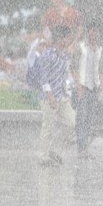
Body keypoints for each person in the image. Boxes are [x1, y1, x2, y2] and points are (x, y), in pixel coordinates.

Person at [34, 25, 76, 166]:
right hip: (49, 97)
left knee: (71, 124)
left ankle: (52, 150)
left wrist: (67, 93)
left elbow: (64, 77)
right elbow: (43, 78)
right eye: (68, 37)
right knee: (48, 127)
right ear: (60, 39)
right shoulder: (47, 55)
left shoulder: (65, 56)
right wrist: (50, 95)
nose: (70, 40)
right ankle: (43, 156)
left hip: (63, 97)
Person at [72, 21, 103, 158]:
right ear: (88, 31)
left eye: (97, 31)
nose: (94, 33)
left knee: (90, 118)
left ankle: (86, 148)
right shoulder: (81, 48)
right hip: (83, 87)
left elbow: (101, 69)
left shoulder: (100, 49)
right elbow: (73, 67)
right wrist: (78, 85)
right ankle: (81, 148)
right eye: (92, 30)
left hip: (94, 88)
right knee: (81, 118)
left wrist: (100, 84)